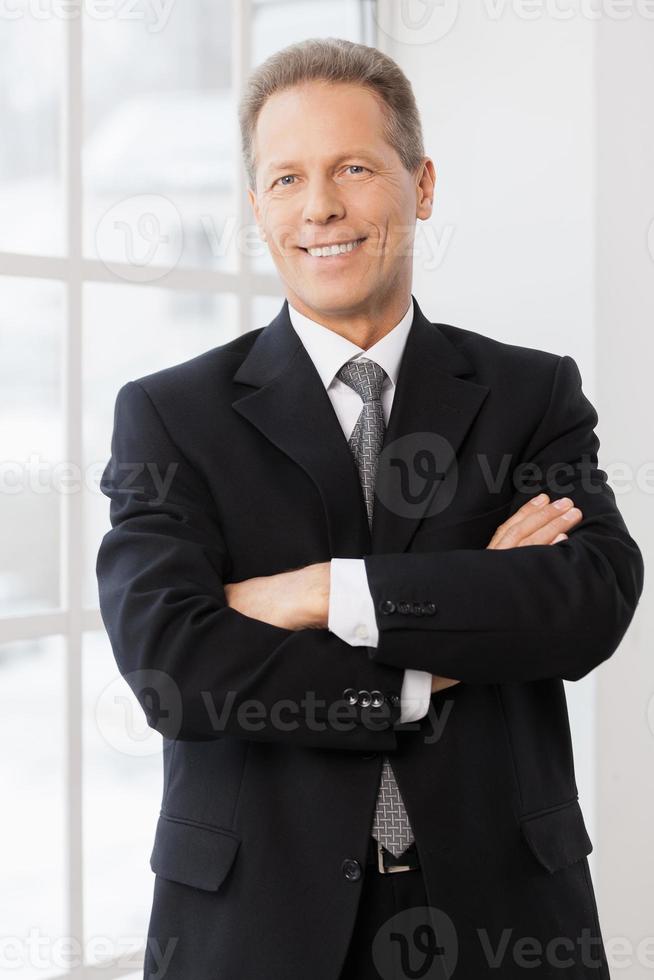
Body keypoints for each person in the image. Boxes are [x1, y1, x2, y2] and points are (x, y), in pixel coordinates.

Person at [96, 37, 644, 980]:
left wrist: (318, 593)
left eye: (354, 167)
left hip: (501, 910)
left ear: (421, 184)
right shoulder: (172, 415)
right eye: (286, 178)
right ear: (257, 203)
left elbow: (584, 602)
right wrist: (431, 663)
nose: (321, 208)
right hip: (258, 920)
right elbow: (170, 661)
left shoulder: (529, 394)